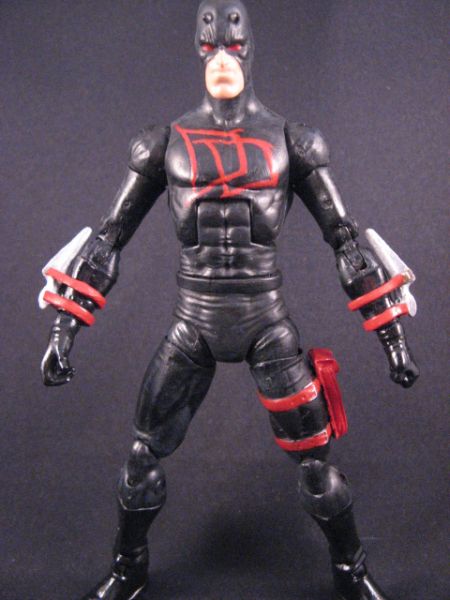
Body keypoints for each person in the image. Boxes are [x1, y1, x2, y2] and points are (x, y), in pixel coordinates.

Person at [40, 2, 418, 599]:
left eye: (232, 35)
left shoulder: (292, 142)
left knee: (318, 465)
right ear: (196, 45)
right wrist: (64, 330)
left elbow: (345, 239)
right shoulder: (164, 144)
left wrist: (393, 339)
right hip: (193, 322)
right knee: (141, 457)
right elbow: (108, 239)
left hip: (266, 322)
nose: (221, 48)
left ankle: (352, 572)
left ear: (250, 45)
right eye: (209, 36)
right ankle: (128, 569)